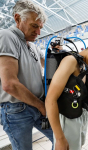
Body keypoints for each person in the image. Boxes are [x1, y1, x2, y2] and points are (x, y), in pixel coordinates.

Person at [0, 0, 53, 150]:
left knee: (61, 137)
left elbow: (50, 66)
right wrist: (41, 106)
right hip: (17, 110)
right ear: (17, 19)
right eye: (34, 26)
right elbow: (9, 84)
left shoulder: (32, 46)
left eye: (40, 27)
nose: (38, 32)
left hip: (37, 105)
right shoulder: (6, 36)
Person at [45, 39, 88, 150]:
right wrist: (60, 138)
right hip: (68, 119)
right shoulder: (70, 61)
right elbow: (50, 99)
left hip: (78, 116)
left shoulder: (83, 65)